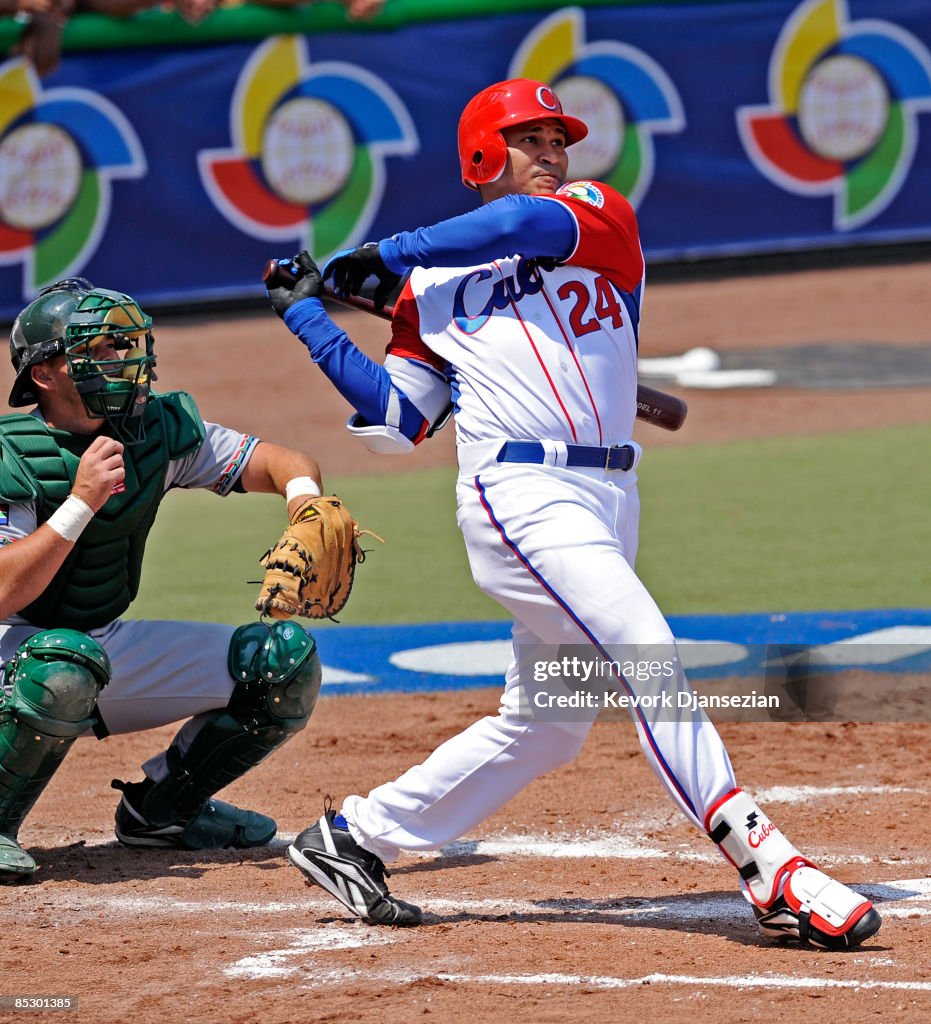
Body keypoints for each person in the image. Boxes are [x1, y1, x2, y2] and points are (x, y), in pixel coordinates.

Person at [263, 79, 882, 947]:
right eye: (531, 139)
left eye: (559, 139)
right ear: (482, 155)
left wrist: (391, 250)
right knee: (643, 649)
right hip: (516, 494)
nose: (554, 153)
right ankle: (768, 866)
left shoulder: (592, 213)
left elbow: (516, 229)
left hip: (606, 497)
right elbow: (398, 422)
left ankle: (353, 836)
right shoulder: (424, 294)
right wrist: (309, 319)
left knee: (545, 722)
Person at [0, 277, 325, 882]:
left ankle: (164, 812)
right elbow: (3, 594)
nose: (124, 361)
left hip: (96, 643)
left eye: (126, 345)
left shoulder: (156, 431)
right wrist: (80, 504)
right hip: (13, 649)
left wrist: (306, 504)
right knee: (64, 662)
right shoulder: (12, 455)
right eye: (100, 350)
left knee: (282, 665)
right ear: (45, 374)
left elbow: (279, 462)